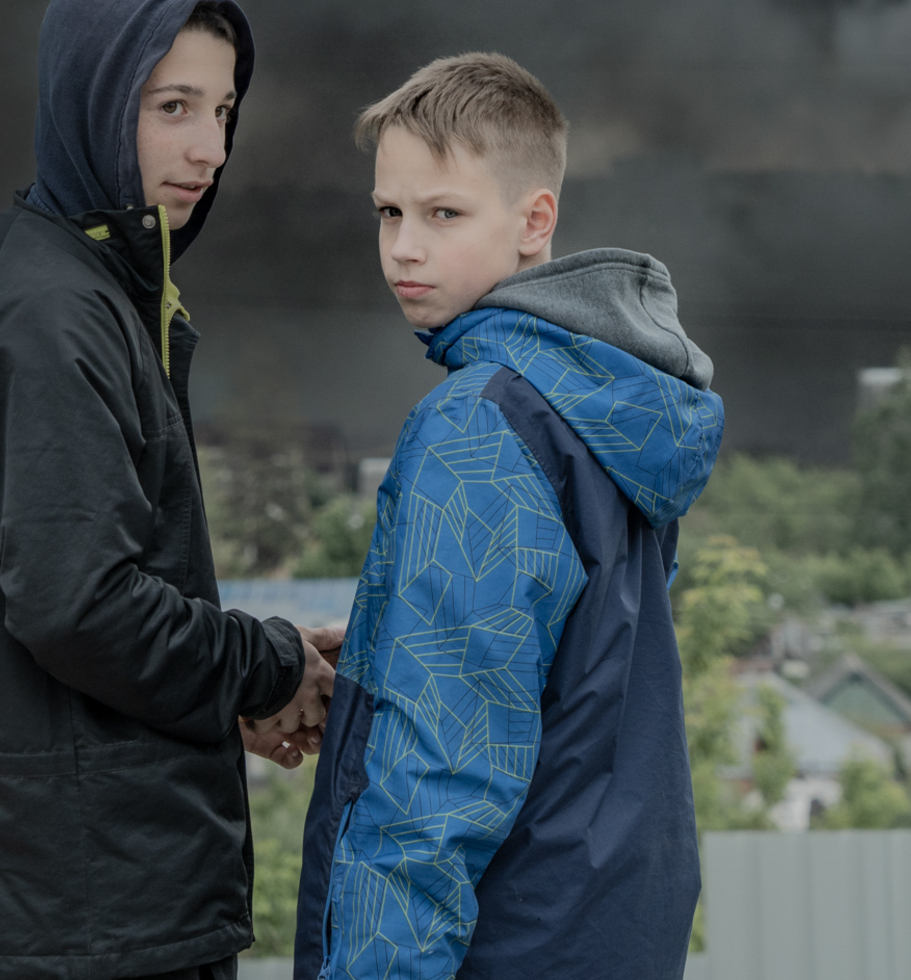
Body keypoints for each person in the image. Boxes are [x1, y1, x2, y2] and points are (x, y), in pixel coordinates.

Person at [0, 0, 338, 980]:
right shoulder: (52, 315)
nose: (208, 147)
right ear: (89, 97)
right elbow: (82, 609)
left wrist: (228, 688)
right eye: (172, 106)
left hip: (69, 898)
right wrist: (264, 665)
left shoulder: (82, 285)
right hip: (77, 920)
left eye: (222, 110)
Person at [293, 53, 726, 980]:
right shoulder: (609, 402)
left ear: (536, 220)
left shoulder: (477, 425)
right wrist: (380, 651)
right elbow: (570, 669)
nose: (405, 246)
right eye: (389, 212)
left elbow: (438, 779)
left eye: (444, 213)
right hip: (605, 930)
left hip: (503, 943)